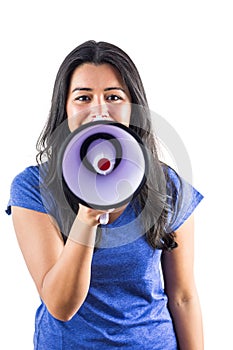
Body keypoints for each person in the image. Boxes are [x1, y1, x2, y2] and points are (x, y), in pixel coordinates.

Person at [6, 40, 204, 349]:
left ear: (131, 107)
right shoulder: (34, 187)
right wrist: (88, 214)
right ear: (66, 109)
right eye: (83, 97)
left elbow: (183, 296)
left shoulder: (166, 184)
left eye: (113, 96)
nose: (99, 109)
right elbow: (60, 305)